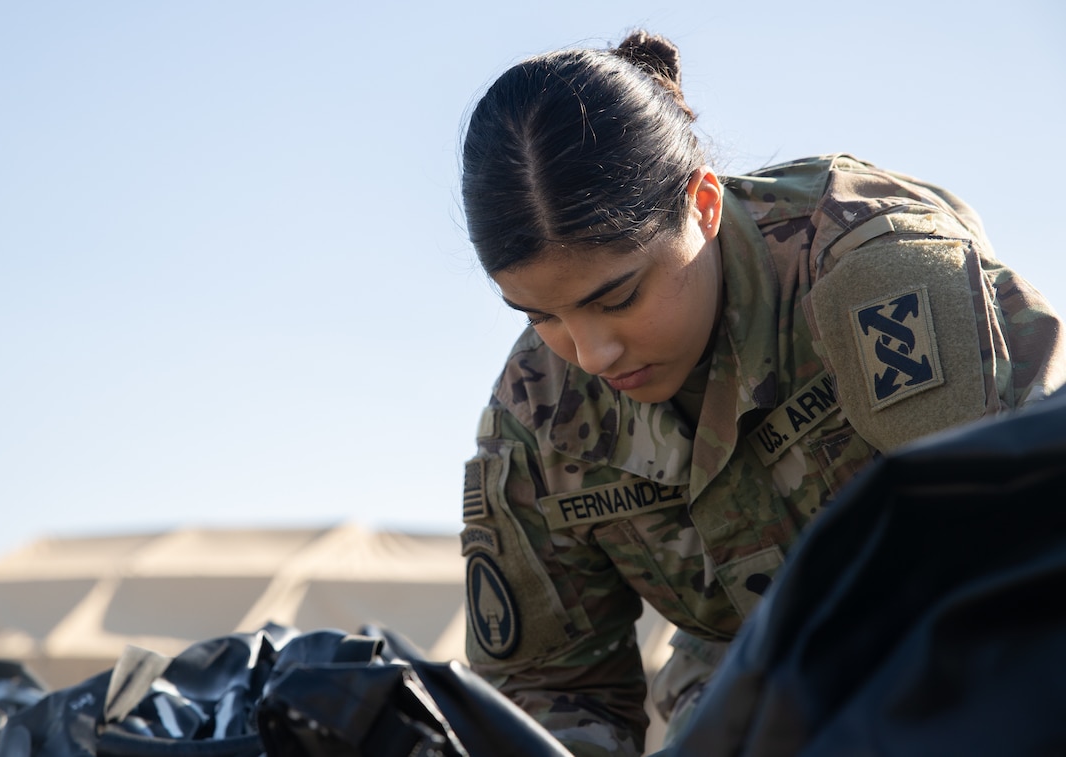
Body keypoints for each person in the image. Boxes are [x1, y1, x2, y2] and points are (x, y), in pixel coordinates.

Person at [456, 30, 1066, 757]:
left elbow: (1023, 548)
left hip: (971, 653)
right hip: (746, 692)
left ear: (703, 204)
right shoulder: (538, 417)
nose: (591, 353)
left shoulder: (871, 275)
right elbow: (553, 694)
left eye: (619, 296)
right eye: (541, 315)